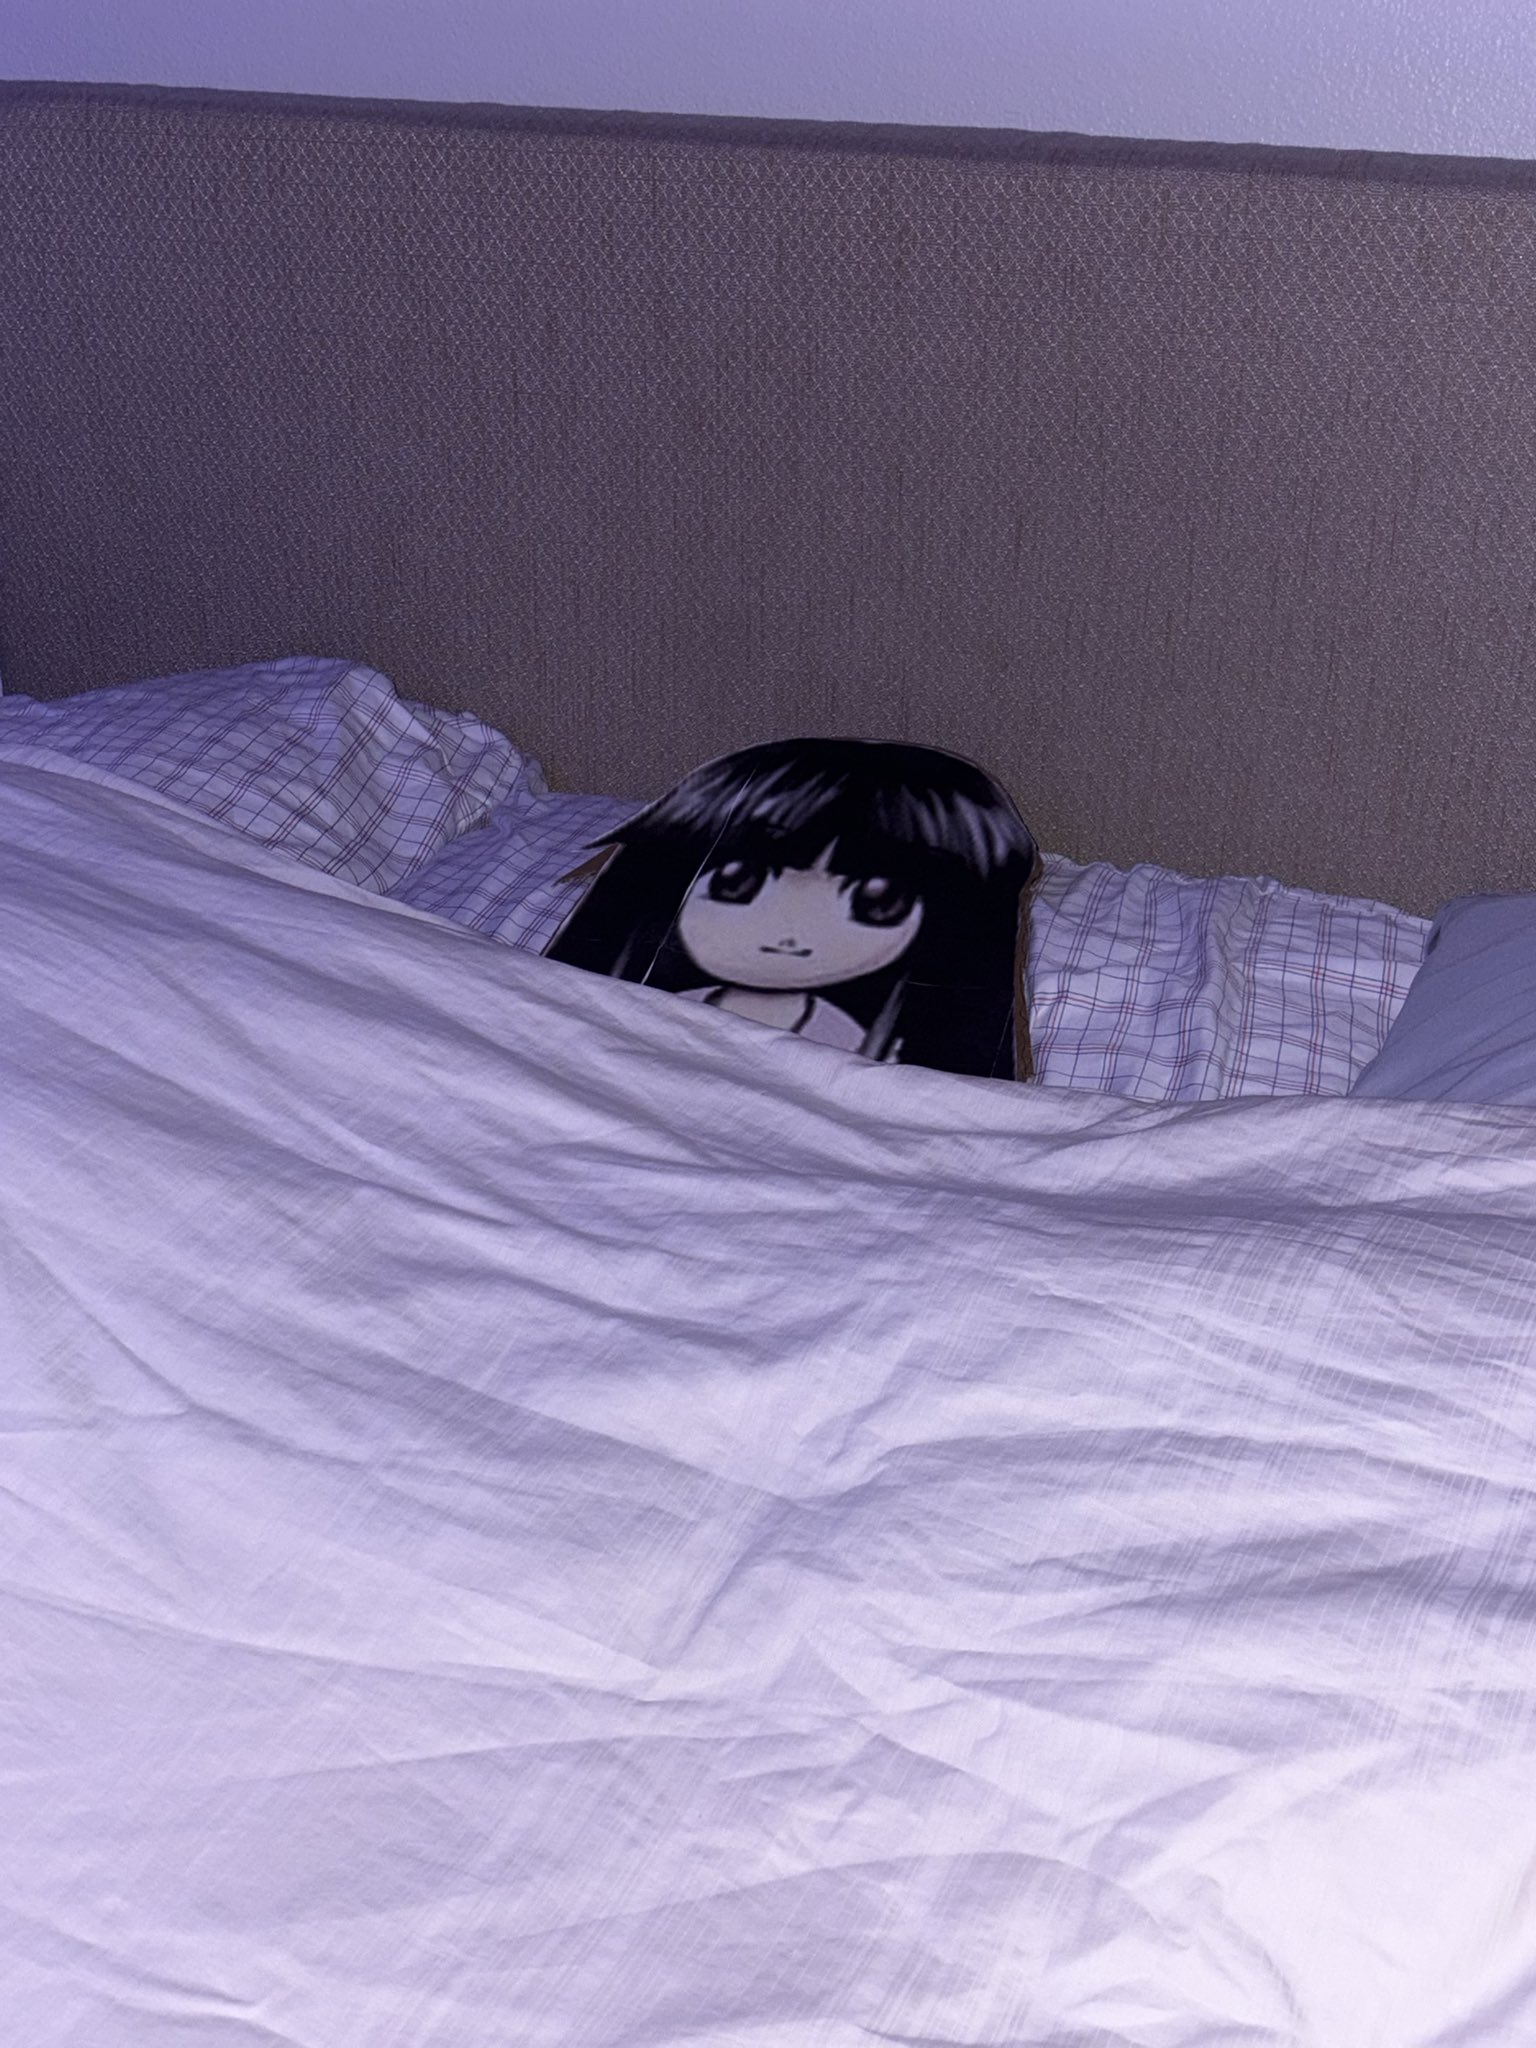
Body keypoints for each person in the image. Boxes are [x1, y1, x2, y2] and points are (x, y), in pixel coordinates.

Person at [545, 736, 1039, 1078]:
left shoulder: (856, 1045)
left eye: (873, 904)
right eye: (739, 886)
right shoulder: (634, 1009)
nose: (790, 931)